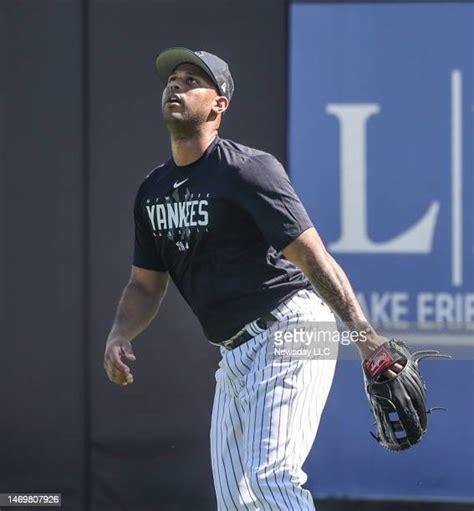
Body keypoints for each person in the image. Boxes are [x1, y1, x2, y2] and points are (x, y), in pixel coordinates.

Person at [103, 47, 401, 510]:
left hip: (294, 329)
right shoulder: (153, 190)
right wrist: (121, 331)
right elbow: (145, 283)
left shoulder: (245, 169)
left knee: (271, 479)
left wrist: (365, 336)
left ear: (219, 105)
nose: (176, 86)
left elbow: (314, 258)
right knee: (236, 499)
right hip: (234, 354)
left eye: (191, 81)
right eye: (173, 79)